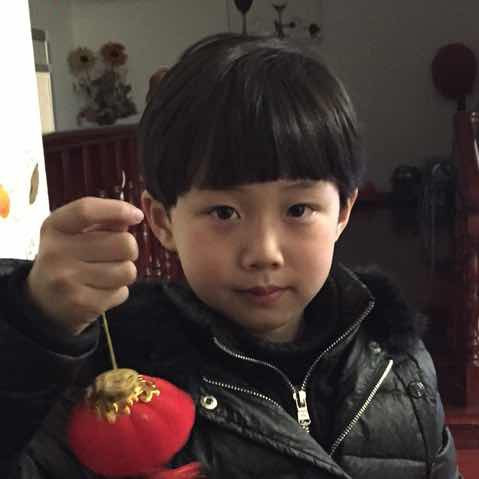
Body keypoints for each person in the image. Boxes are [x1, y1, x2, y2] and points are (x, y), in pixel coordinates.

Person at [0, 33, 460, 479]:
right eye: (224, 212)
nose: (263, 253)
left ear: (343, 211)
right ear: (162, 221)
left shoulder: (398, 362)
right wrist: (35, 329)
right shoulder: (115, 382)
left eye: (298, 210)